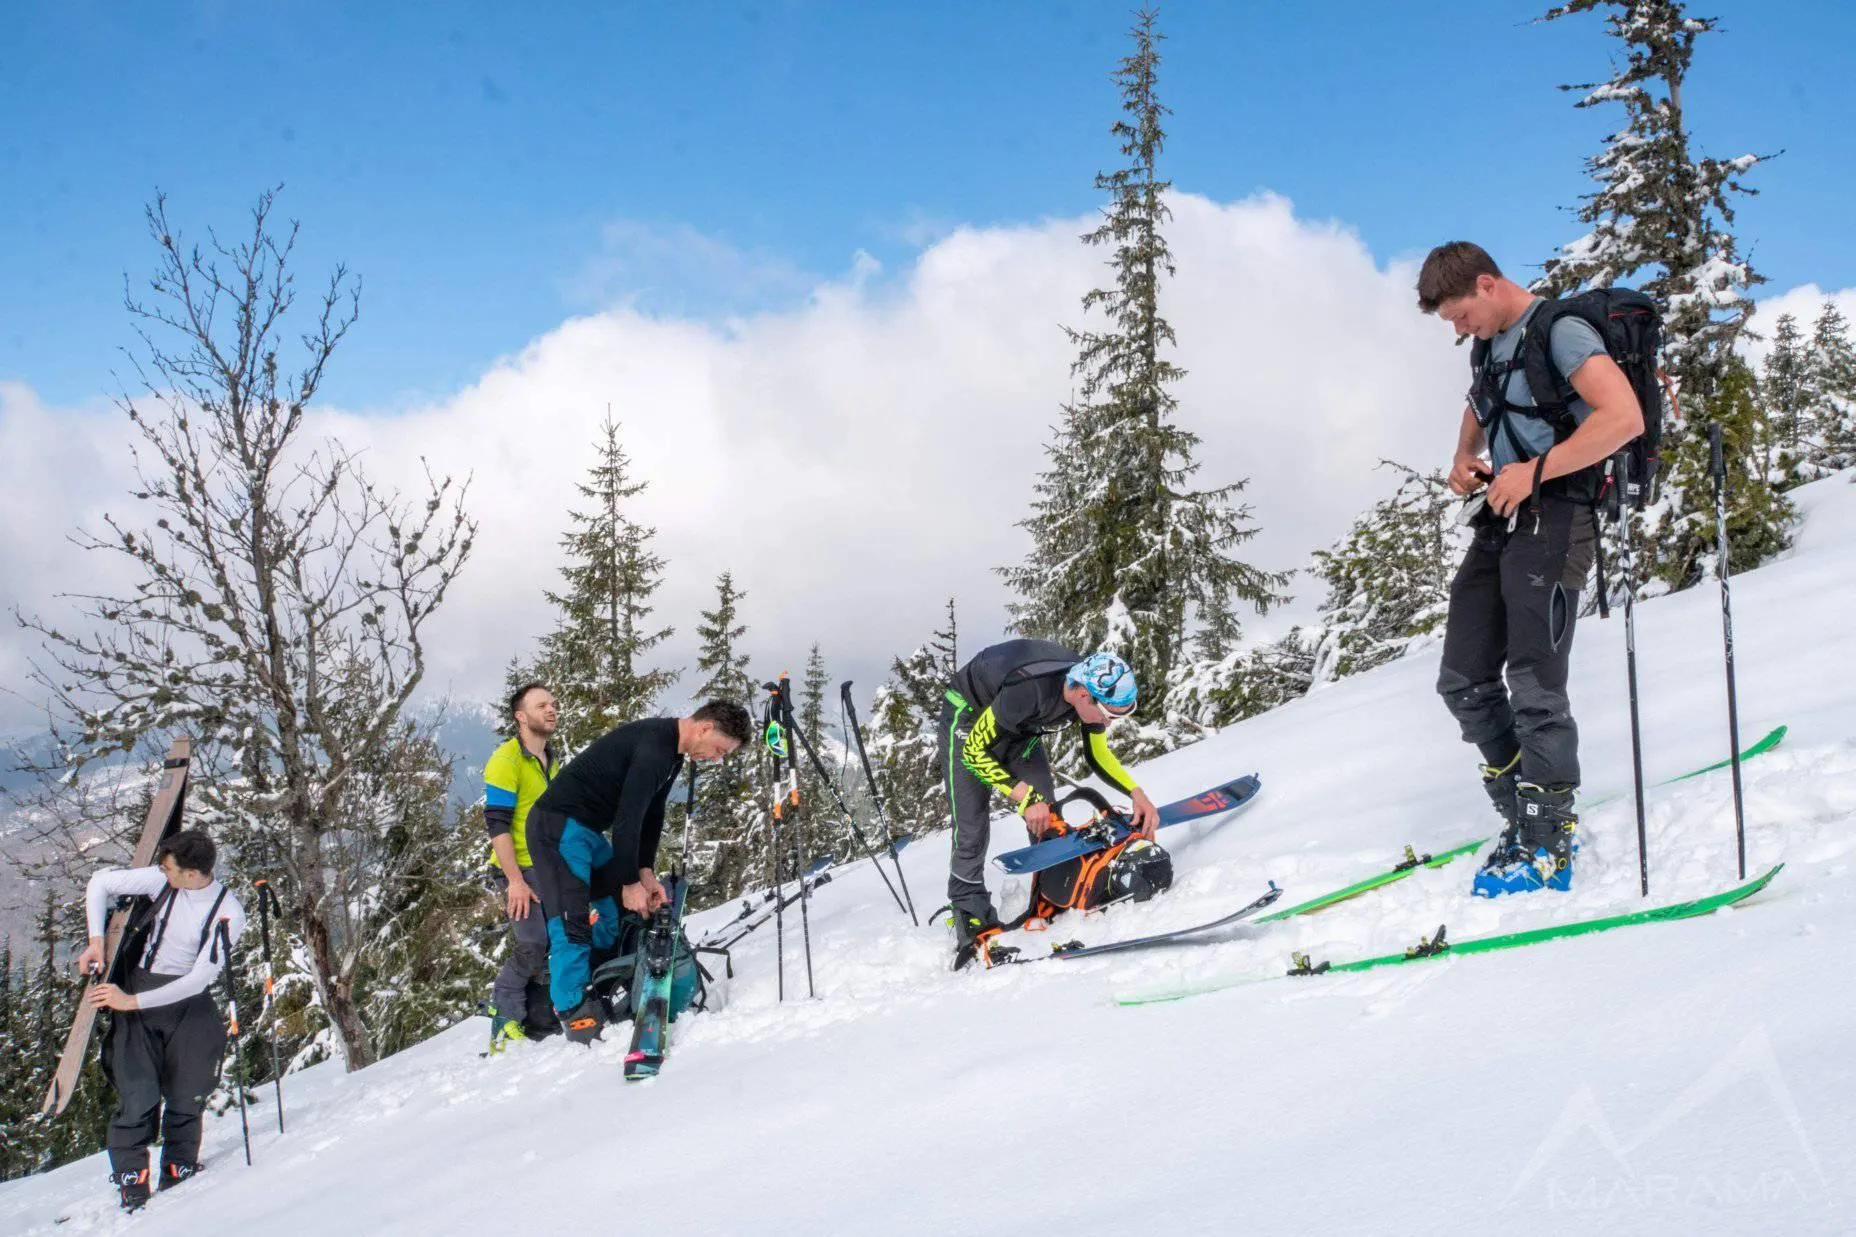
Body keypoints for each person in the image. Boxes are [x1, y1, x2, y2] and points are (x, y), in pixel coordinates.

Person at [1416, 241, 1645, 896]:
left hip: (1560, 515)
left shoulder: (1561, 331)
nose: (1460, 331)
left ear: (1487, 285)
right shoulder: (1487, 344)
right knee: (1462, 678)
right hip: (1503, 516)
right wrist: (1464, 453)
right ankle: (1521, 811)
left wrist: (1536, 470)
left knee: (1536, 684)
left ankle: (1549, 840)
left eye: (1461, 316)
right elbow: (1480, 403)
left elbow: (1623, 417)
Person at [525, 699, 752, 1043]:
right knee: (570, 923)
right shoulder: (654, 749)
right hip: (557, 828)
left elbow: (652, 815)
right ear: (704, 728)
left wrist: (644, 873)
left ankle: (598, 977)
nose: (716, 758)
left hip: (586, 831)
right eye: (719, 749)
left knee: (616, 909)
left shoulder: (672, 753)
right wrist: (629, 881)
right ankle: (573, 1012)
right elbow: (628, 819)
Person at [940, 641, 1157, 968]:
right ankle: (968, 908)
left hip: (1018, 729)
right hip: (969, 721)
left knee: (1048, 816)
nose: (1108, 723)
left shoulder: (1088, 684)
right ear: (1085, 695)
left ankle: (1056, 891)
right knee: (971, 826)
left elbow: (1097, 754)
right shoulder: (1031, 689)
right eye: (1109, 714)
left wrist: (1135, 793)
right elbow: (974, 752)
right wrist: (1023, 797)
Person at [78, 830, 246, 1212]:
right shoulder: (163, 881)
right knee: (138, 1094)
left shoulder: (228, 912)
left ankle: (179, 1169)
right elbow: (100, 882)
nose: (161, 872)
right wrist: (95, 939)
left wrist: (130, 1001)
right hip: (141, 987)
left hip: (185, 1002)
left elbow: (199, 978)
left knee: (189, 1092)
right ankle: (132, 1184)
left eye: (169, 868)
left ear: (191, 873)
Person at [483, 681, 562, 1052]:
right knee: (533, 943)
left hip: (550, 865)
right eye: (541, 705)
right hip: (518, 869)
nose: (551, 710)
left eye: (553, 704)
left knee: (560, 938)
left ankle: (541, 1014)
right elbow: (497, 823)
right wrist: (514, 880)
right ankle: (504, 1011)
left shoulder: (551, 758)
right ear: (520, 716)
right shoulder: (506, 760)